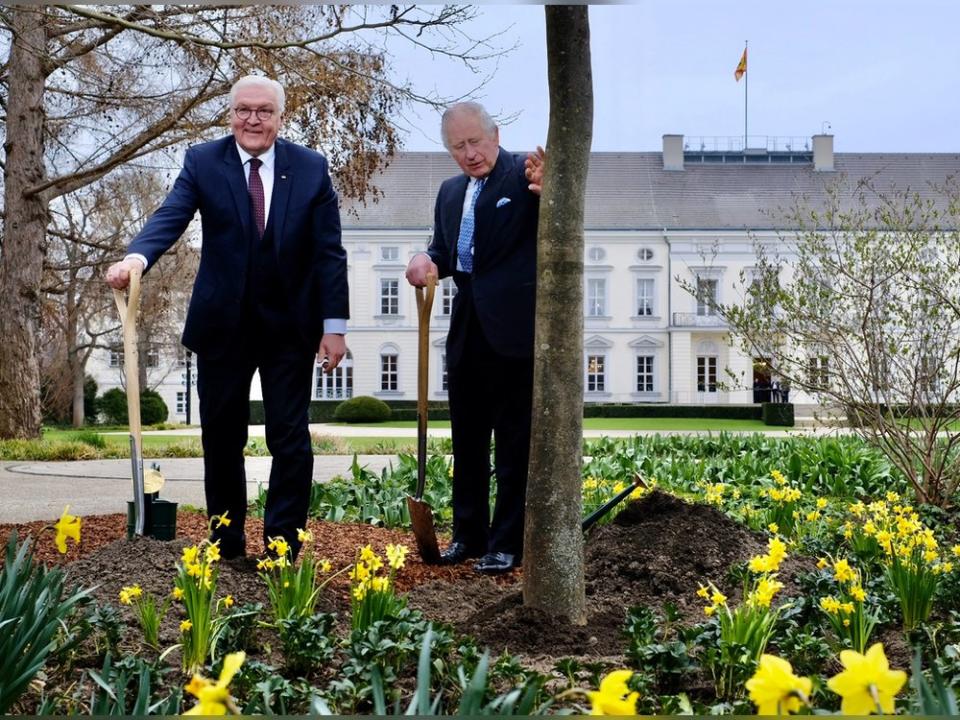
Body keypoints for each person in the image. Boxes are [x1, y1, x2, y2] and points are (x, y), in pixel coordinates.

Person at [105, 75, 349, 561]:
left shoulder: (311, 168)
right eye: (243, 110)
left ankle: (282, 549)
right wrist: (137, 258)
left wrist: (334, 327)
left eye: (263, 111)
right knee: (221, 438)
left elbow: (329, 253)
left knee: (290, 440)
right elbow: (172, 214)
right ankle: (226, 544)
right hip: (223, 328)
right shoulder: (203, 161)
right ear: (230, 114)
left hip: (289, 329)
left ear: (281, 117)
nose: (252, 119)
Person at [405, 101, 544, 574]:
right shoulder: (449, 192)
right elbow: (444, 251)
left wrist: (554, 191)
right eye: (458, 146)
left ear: (496, 134)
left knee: (512, 442)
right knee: (466, 439)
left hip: (515, 330)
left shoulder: (526, 173)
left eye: (475, 143)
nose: (469, 154)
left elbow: (558, 223)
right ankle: (468, 536)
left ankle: (508, 543)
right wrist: (427, 262)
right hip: (465, 328)